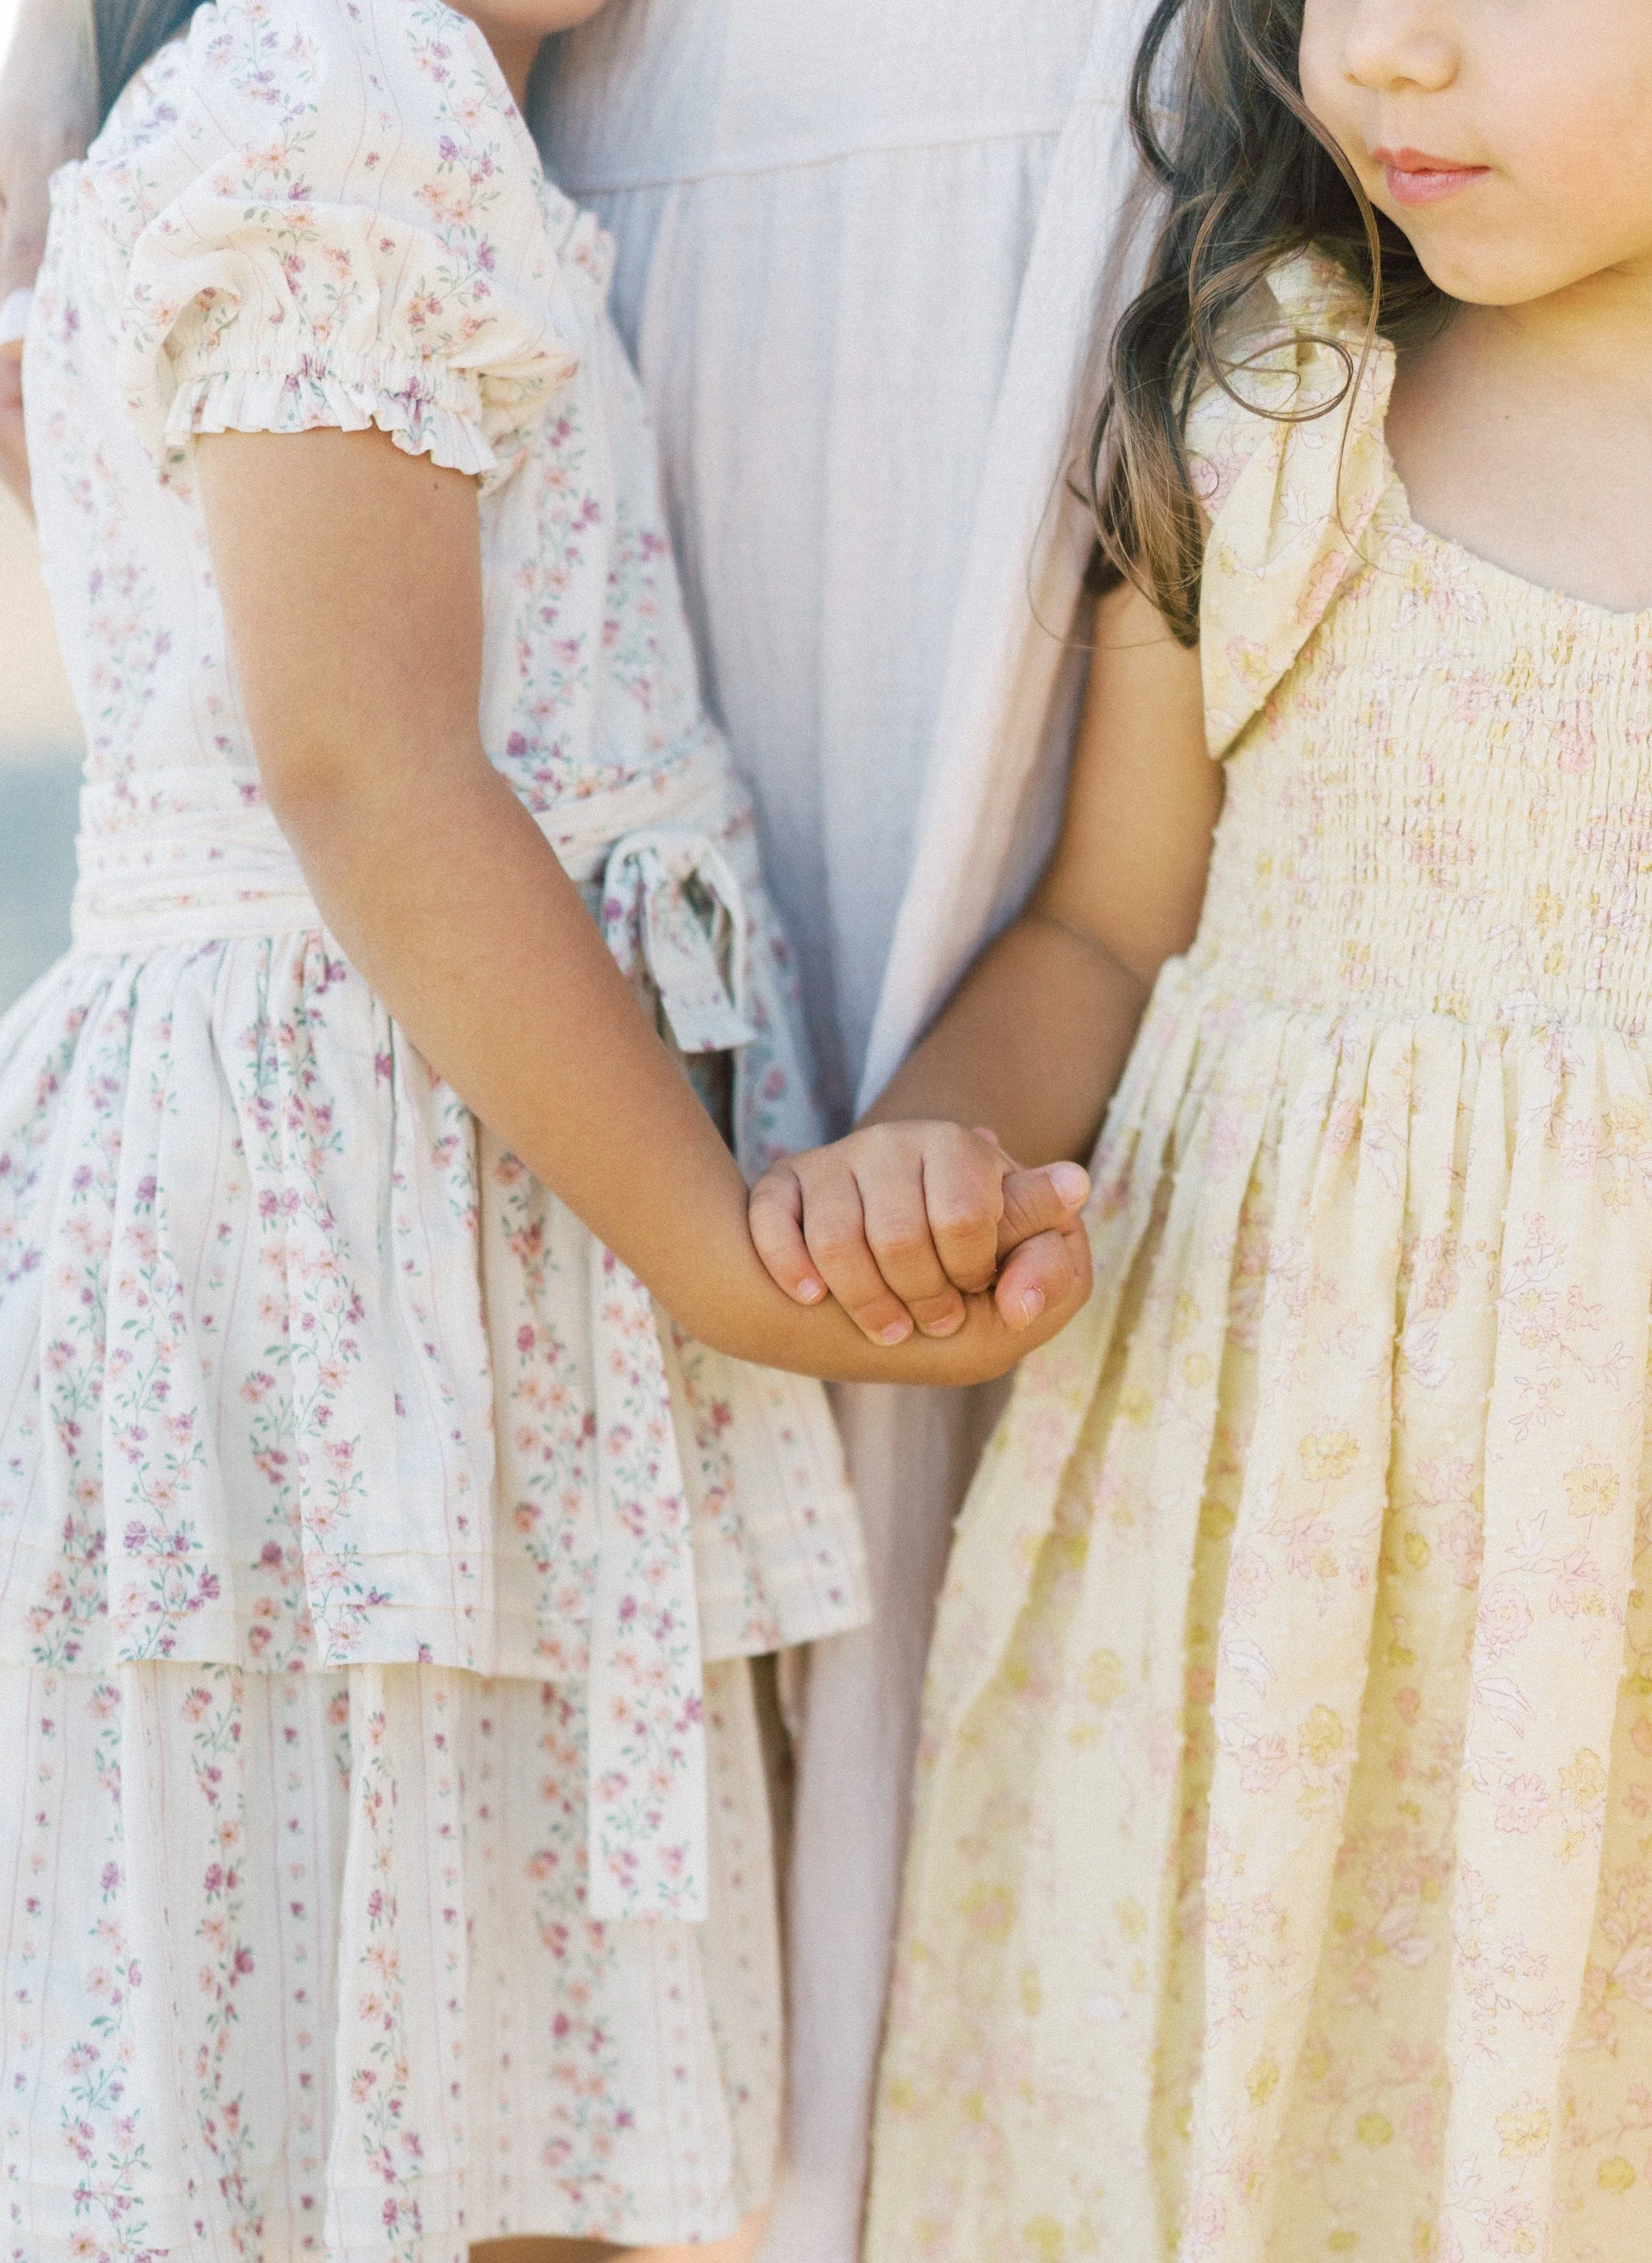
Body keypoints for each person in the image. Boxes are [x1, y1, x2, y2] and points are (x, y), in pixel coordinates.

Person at [0, 4, 1150, 2252]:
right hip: (369, 1244)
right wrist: (707, 1244)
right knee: (364, 2059)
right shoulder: (342, 101)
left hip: (454, 1222)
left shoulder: (382, 103)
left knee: (431, 2060)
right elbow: (364, 762)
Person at [748, 0, 1652, 2251]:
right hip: (1269, 1586)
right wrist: (929, 1150)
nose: (1390, 57)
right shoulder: (1277, 407)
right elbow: (1101, 928)